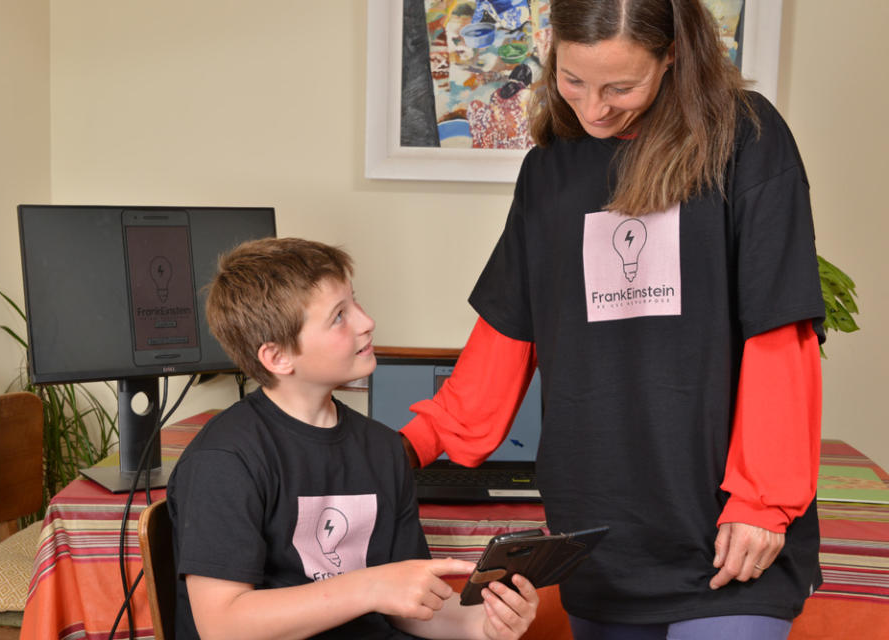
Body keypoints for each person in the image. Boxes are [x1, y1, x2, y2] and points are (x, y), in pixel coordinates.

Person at [399, 1, 825, 638]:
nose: (593, 108)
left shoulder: (748, 138)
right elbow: (508, 336)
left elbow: (780, 327)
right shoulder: (550, 167)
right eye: (573, 81)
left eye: (620, 87)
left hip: (727, 533)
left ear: (672, 55)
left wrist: (763, 500)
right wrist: (397, 451)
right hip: (599, 531)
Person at [166, 237, 539, 640]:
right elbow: (222, 626)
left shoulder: (383, 449)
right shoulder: (225, 459)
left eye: (355, 302)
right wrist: (369, 587)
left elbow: (408, 605)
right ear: (277, 357)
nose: (366, 321)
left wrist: (485, 626)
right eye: (339, 316)